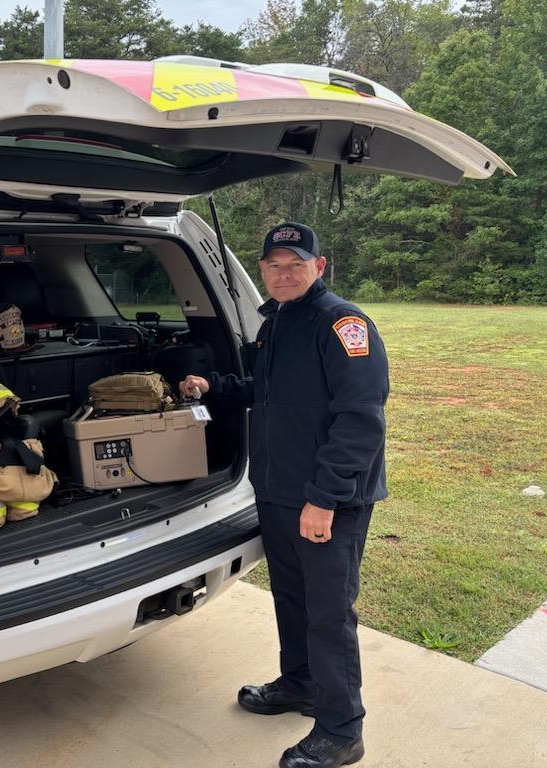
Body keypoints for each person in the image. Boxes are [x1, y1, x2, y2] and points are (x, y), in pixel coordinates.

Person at [180, 222, 389, 768]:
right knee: (292, 599)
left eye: (296, 264)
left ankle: (342, 730)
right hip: (277, 490)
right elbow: (266, 394)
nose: (283, 273)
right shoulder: (276, 323)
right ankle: (300, 685)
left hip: (325, 499)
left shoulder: (342, 324)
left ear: (319, 267)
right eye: (273, 265)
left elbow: (360, 420)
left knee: (328, 612)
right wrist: (215, 389)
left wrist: (324, 498)